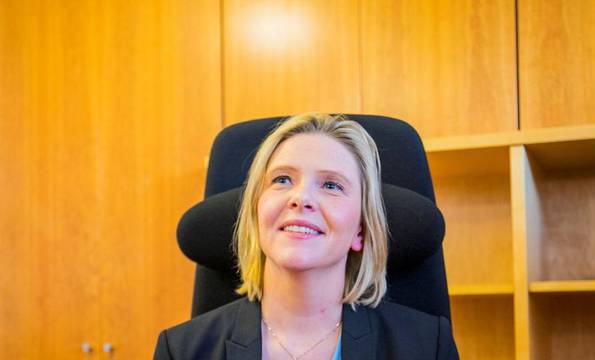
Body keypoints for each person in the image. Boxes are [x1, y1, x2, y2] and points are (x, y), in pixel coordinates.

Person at [154, 113, 459, 359]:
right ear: (256, 216)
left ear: (360, 230)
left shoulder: (426, 347)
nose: (301, 198)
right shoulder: (181, 350)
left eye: (331, 185)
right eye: (282, 179)